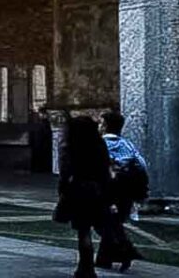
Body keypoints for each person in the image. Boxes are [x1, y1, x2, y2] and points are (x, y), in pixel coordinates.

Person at [53, 115, 112, 278]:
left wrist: (63, 190)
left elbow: (65, 172)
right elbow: (105, 169)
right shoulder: (99, 145)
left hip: (78, 189)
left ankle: (85, 266)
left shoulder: (71, 146)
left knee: (83, 231)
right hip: (97, 189)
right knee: (99, 225)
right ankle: (100, 258)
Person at [97, 110, 145, 272]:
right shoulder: (127, 145)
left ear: (104, 126)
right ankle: (104, 259)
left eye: (100, 123)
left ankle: (126, 250)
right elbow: (141, 165)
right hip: (126, 190)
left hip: (105, 189)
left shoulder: (98, 144)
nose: (99, 125)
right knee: (114, 221)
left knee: (104, 224)